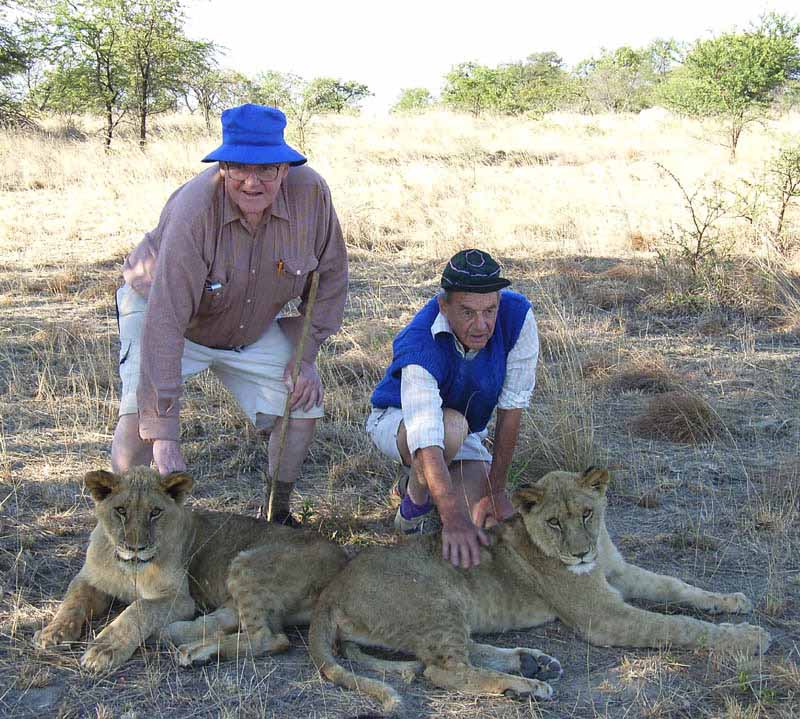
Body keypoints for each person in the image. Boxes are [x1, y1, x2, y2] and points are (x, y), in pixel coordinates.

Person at [112, 103, 348, 525]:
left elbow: (330, 281)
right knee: (139, 418)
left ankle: (278, 517)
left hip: (248, 320)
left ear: (285, 168)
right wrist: (164, 434)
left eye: (266, 170)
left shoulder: (312, 194)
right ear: (221, 165)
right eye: (238, 167)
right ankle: (121, 526)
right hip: (165, 310)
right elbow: (165, 320)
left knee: (303, 404)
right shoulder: (194, 211)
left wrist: (305, 355)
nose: (251, 182)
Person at [368, 249, 538, 568]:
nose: (482, 325)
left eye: (490, 310)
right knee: (450, 429)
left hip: (464, 435)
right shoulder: (420, 341)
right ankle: (414, 504)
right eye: (467, 312)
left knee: (488, 527)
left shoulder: (518, 316)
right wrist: (450, 517)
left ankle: (415, 483)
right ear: (443, 306)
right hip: (400, 423)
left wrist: (497, 490)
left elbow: (512, 408)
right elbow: (427, 435)